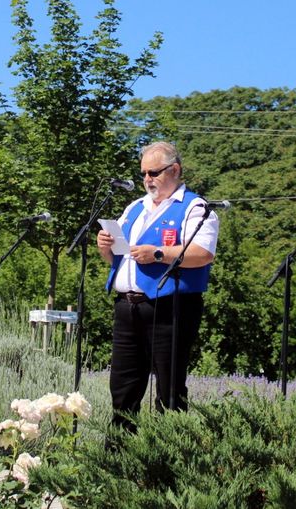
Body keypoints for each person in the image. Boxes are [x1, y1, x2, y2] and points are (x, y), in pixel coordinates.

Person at [96, 141, 218, 431]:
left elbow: (203, 253)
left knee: (169, 392)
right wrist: (105, 247)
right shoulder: (134, 208)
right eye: (143, 174)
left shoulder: (195, 208)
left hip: (170, 308)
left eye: (154, 172)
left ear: (174, 170)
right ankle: (118, 460)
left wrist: (159, 254)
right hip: (128, 306)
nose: (147, 180)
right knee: (123, 390)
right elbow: (118, 256)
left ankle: (167, 463)